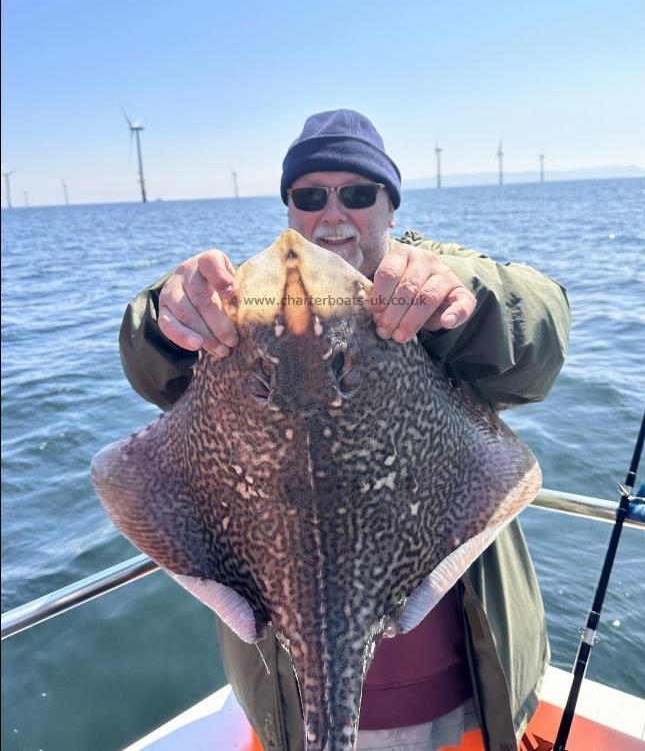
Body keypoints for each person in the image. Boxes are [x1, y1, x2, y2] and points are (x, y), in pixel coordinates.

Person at [119, 109, 571, 751]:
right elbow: (150, 369)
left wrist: (463, 301)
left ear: (390, 206)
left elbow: (544, 327)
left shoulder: (439, 284)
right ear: (289, 211)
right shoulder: (242, 304)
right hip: (289, 697)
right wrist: (167, 315)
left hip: (465, 693)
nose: (333, 214)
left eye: (358, 194)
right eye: (310, 196)